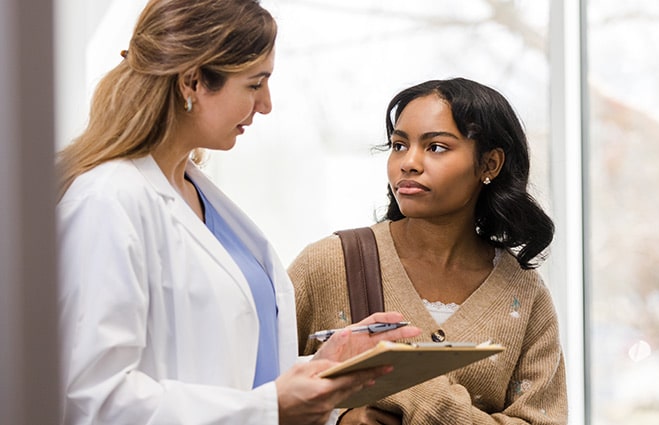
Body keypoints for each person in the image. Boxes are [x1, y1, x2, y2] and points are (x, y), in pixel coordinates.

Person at [55, 1, 420, 424]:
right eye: (254, 84)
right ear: (193, 82)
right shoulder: (106, 202)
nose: (265, 104)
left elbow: (228, 368)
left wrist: (320, 367)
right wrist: (269, 408)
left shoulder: (196, 194)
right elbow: (93, 399)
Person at [289, 77, 568, 424]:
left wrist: (418, 395)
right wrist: (340, 420)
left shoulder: (524, 293)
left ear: (490, 164)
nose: (409, 162)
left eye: (435, 147)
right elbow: (255, 398)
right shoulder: (329, 264)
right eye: (399, 145)